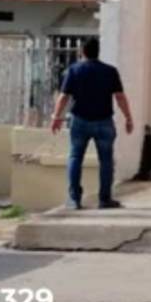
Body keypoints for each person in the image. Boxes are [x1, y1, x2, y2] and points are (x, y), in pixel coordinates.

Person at [50, 38, 134, 209]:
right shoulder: (110, 71)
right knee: (106, 161)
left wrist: (56, 117)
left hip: (79, 120)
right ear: (98, 51)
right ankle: (104, 199)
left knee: (75, 158)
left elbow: (64, 96)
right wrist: (128, 118)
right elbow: (119, 97)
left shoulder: (74, 70)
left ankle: (74, 199)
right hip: (104, 121)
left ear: (82, 52)